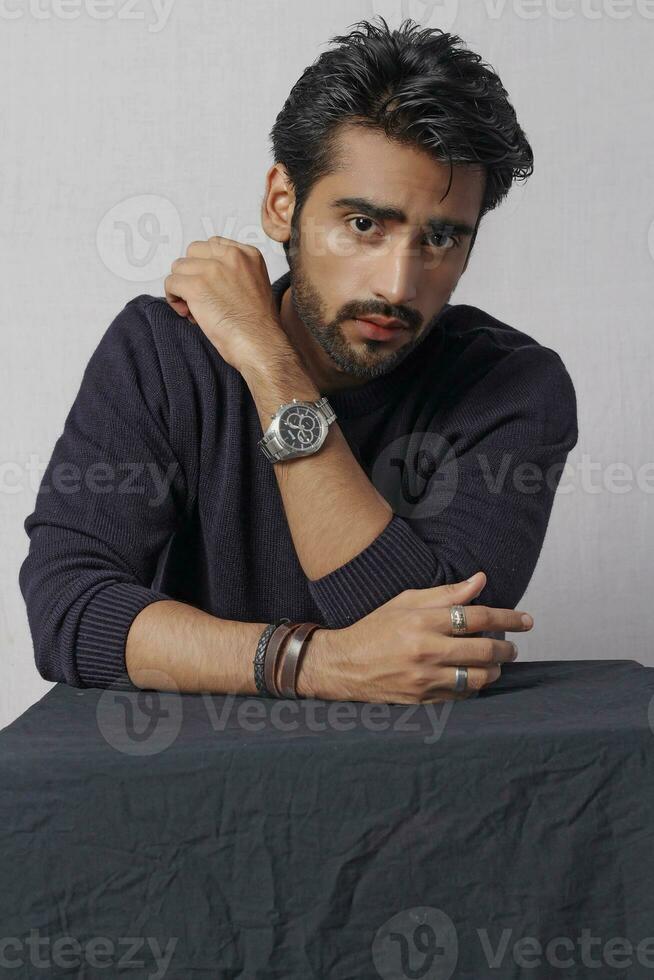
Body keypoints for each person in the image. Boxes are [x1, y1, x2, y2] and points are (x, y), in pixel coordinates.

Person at [19, 18, 576, 704]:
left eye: (439, 239)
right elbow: (67, 611)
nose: (397, 285)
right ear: (282, 204)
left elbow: (421, 646)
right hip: (189, 788)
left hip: (422, 790)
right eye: (364, 225)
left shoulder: (514, 389)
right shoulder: (161, 354)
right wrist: (314, 664)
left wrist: (270, 366)